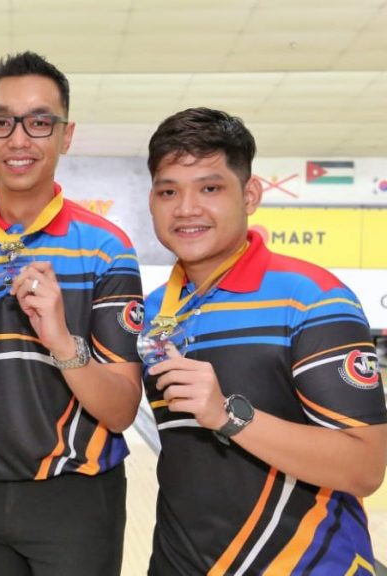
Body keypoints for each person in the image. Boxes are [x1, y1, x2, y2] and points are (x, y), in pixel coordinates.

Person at [0, 51, 144, 575]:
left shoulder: (106, 248)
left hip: (78, 500)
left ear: (66, 135)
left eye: (40, 122)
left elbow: (121, 411)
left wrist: (62, 340)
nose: (19, 140)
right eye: (2, 123)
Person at [142, 107, 387, 574]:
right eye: (168, 191)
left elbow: (364, 467)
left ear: (250, 194)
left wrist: (228, 415)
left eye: (210, 188)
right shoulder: (156, 310)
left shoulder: (312, 298)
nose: (186, 208)